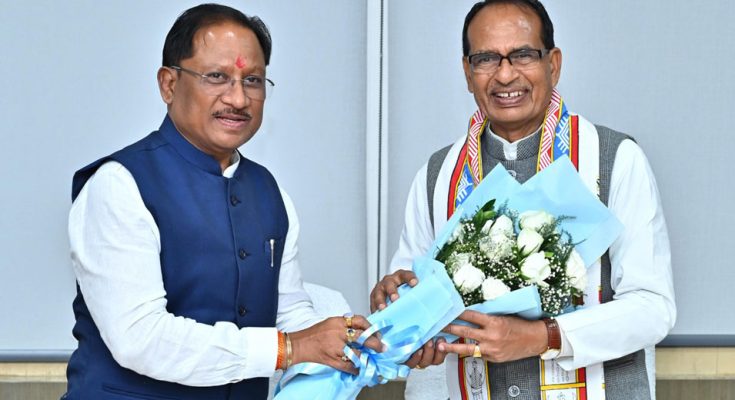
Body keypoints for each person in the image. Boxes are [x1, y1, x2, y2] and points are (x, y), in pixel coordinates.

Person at [64, 4, 378, 400]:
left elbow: (290, 311)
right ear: (168, 84)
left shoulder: (269, 192)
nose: (238, 98)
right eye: (217, 77)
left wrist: (354, 339)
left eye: (253, 80)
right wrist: (289, 348)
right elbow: (140, 338)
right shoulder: (119, 185)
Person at [370, 1, 675, 399]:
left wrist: (542, 336)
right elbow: (416, 300)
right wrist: (400, 308)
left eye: (523, 55)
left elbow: (653, 307)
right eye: (486, 59)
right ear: (467, 72)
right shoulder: (439, 175)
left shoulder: (612, 159)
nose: (505, 74)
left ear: (554, 64)